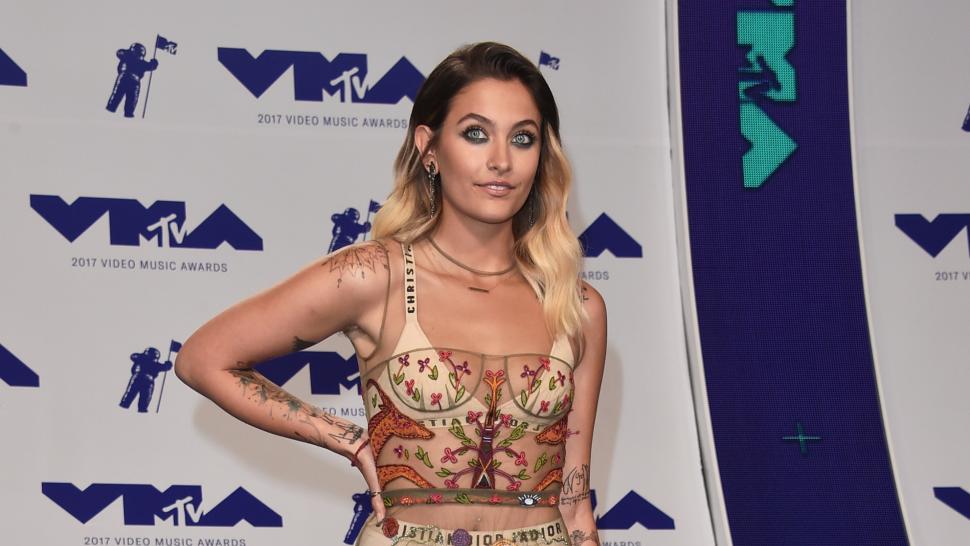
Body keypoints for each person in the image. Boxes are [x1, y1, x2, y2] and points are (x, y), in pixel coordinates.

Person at [175, 42, 607, 546]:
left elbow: (574, 504)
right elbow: (204, 359)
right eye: (475, 133)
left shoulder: (576, 305)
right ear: (429, 147)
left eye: (522, 138)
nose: (500, 160)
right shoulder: (373, 276)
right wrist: (349, 441)